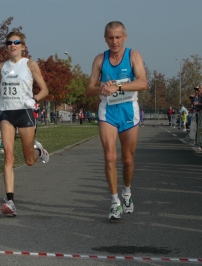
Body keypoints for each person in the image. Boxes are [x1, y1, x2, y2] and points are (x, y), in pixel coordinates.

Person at [0, 31, 49, 217]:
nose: (13, 45)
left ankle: (39, 151)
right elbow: (3, 86)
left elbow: (45, 89)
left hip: (25, 112)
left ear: (23, 46)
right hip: (7, 113)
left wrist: (33, 100)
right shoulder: (3, 66)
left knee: (29, 160)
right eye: (9, 42)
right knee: (8, 156)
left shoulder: (30, 65)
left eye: (16, 42)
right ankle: (10, 201)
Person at [85, 21, 148, 222]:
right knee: (110, 157)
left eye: (118, 37)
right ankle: (114, 202)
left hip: (129, 111)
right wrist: (102, 86)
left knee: (127, 159)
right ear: (105, 38)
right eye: (111, 37)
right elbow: (89, 89)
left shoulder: (133, 56)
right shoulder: (99, 60)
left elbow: (143, 83)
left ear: (125, 37)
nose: (115, 41)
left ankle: (127, 193)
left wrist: (118, 88)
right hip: (108, 112)